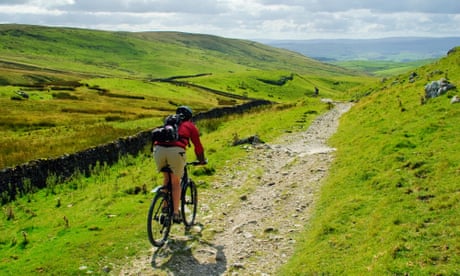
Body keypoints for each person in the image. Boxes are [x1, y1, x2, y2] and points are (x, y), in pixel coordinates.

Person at [153, 106, 206, 223]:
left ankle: (165, 207)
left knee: (167, 179)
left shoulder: (169, 123)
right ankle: (176, 213)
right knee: (176, 182)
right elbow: (198, 146)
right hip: (176, 152)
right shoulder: (190, 126)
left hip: (158, 151)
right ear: (189, 117)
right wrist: (202, 160)